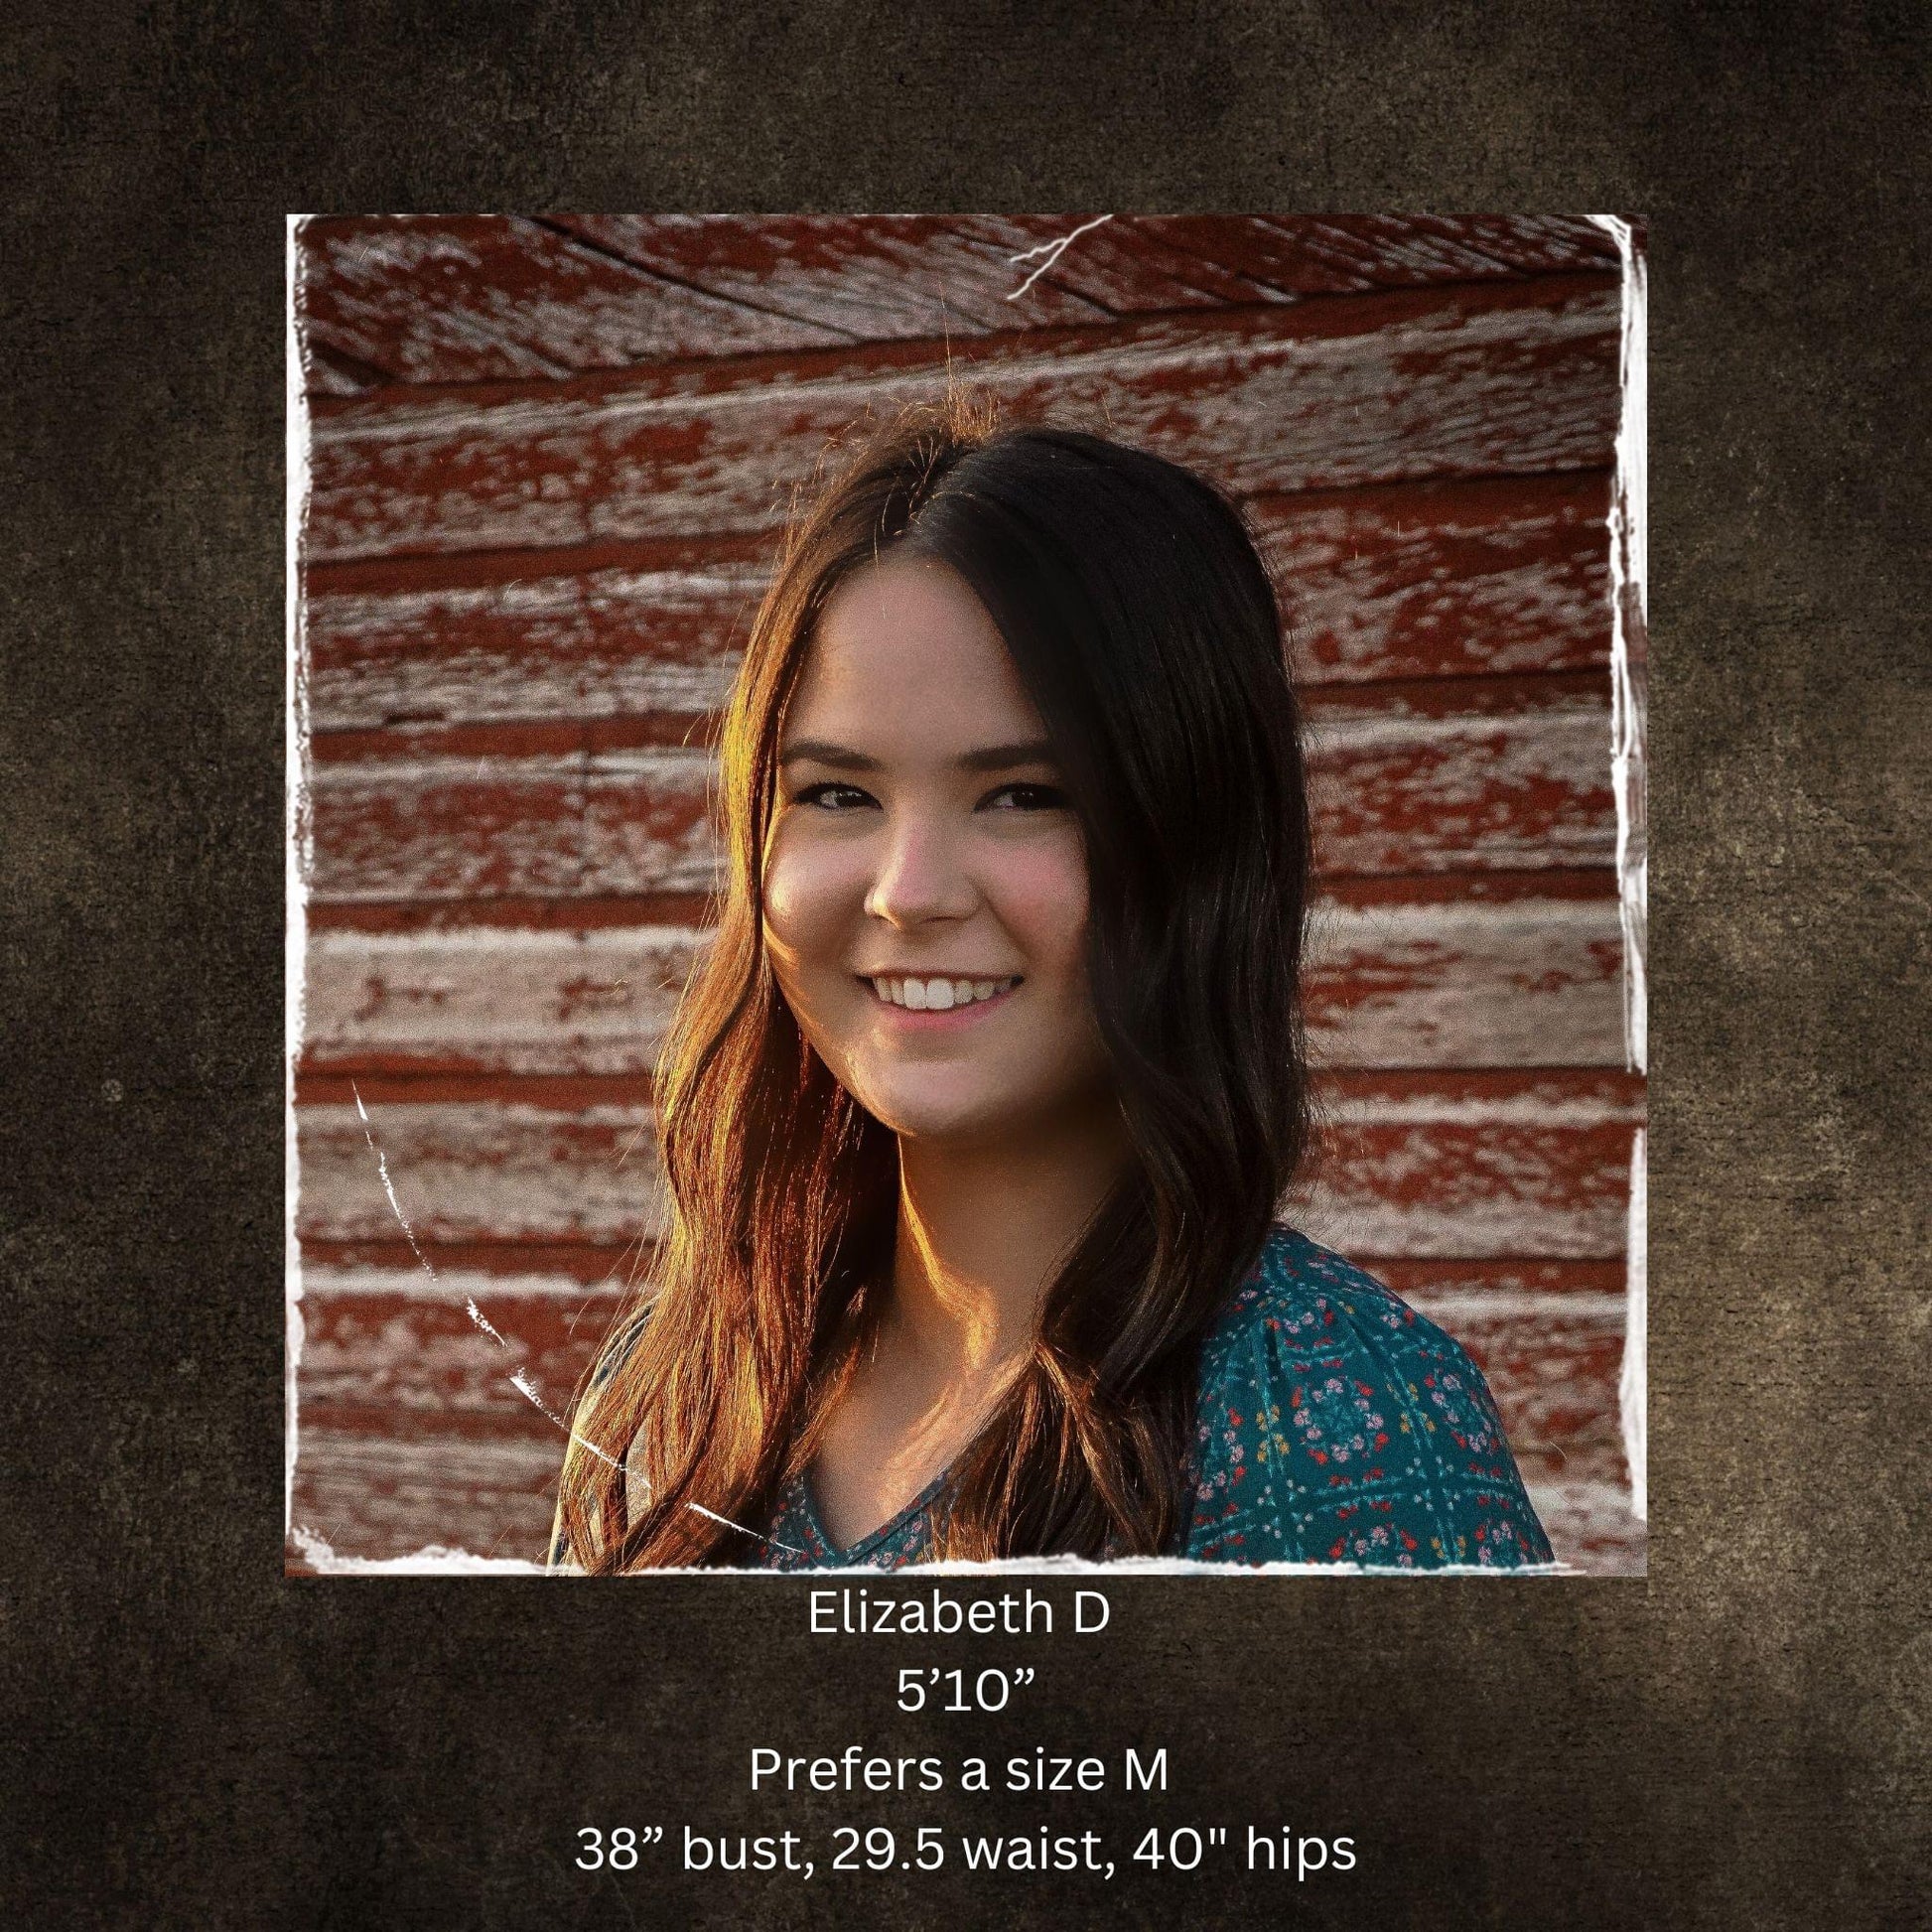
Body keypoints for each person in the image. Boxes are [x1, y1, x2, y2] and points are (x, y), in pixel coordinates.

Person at [549, 401, 1553, 1573]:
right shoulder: (667, 1408)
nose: (907, 891)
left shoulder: (1344, 1424)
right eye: (835, 793)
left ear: (1196, 839)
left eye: (1025, 792)